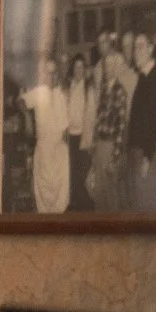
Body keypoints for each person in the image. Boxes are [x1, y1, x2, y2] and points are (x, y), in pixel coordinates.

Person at [20, 50, 72, 217]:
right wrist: (27, 117)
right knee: (43, 195)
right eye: (47, 73)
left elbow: (65, 129)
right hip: (43, 150)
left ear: (56, 74)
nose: (51, 77)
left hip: (58, 152)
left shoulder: (61, 94)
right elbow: (20, 100)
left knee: (60, 197)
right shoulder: (39, 92)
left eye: (53, 73)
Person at [89, 29, 134, 210]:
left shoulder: (119, 88)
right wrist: (93, 144)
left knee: (112, 192)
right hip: (100, 142)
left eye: (105, 42)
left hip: (112, 143)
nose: (108, 68)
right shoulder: (101, 83)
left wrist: (115, 156)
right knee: (99, 191)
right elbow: (97, 117)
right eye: (106, 65)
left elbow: (122, 123)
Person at [124, 34, 156, 211]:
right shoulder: (143, 77)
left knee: (147, 205)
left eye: (141, 46)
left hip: (146, 151)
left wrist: (147, 158)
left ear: (151, 49)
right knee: (140, 203)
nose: (136, 52)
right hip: (139, 150)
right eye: (135, 47)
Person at [63, 50, 92, 209]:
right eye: (76, 67)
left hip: (84, 137)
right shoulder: (68, 87)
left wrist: (88, 139)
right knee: (72, 174)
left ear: (85, 69)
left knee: (83, 176)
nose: (79, 70)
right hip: (70, 137)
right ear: (72, 69)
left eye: (81, 67)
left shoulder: (89, 88)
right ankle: (75, 207)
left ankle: (86, 208)